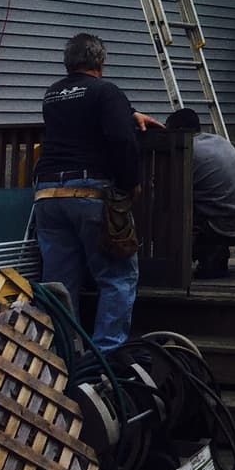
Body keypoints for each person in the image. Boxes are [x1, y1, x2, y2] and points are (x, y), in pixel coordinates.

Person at [33, 33, 152, 351]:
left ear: (68, 61)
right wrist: (130, 183)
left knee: (60, 284)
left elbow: (81, 112)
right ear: (101, 61)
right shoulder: (106, 91)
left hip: (47, 194)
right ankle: (106, 358)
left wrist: (128, 112)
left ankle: (61, 357)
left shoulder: (53, 94)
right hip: (90, 193)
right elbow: (121, 140)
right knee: (116, 276)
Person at [165, 108, 235, 278]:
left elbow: (171, 193)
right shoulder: (218, 140)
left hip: (227, 222)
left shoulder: (187, 150)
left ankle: (211, 255)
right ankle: (216, 254)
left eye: (169, 131)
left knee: (172, 209)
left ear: (179, 131)